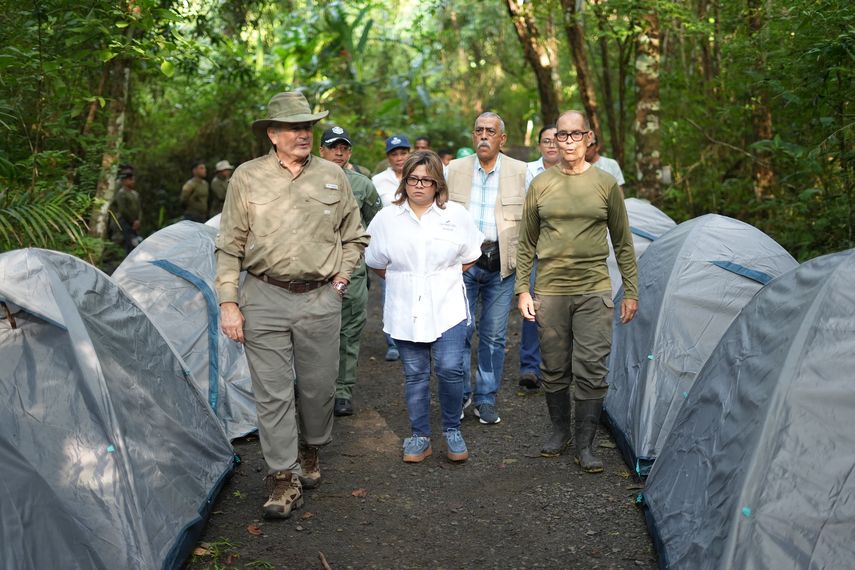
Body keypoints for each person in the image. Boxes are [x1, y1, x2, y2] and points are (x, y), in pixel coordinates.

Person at [215, 91, 369, 519]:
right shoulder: (247, 177)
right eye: (294, 128)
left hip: (320, 298)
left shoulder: (333, 176)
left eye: (308, 127)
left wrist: (341, 278)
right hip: (263, 296)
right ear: (272, 134)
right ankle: (283, 477)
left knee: (318, 389)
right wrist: (228, 301)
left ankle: (311, 447)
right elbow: (229, 244)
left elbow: (355, 236)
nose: (304, 134)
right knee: (272, 393)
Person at [515, 110, 638, 473]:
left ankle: (585, 444)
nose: (568, 141)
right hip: (550, 290)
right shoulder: (541, 184)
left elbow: (623, 242)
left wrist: (631, 289)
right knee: (553, 366)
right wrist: (523, 289)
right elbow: (526, 242)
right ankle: (559, 432)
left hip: (593, 289)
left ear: (588, 138)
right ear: (554, 140)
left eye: (575, 134)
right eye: (562, 135)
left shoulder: (605, 183)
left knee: (592, 368)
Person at [365, 150, 483, 463]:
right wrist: (407, 279)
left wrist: (440, 278)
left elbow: (471, 255)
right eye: (413, 179)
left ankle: (452, 430)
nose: (419, 185)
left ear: (437, 184)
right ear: (404, 182)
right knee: (415, 374)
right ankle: (419, 436)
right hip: (405, 306)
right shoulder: (387, 218)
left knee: (450, 368)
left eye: (426, 180)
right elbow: (375, 261)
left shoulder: (455, 215)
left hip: (447, 305)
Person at [446, 112, 528, 425]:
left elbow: (532, 219)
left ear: (501, 139)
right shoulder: (454, 169)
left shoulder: (520, 172)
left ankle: (486, 399)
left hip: (502, 265)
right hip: (462, 266)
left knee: (493, 336)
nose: (483, 136)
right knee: (461, 330)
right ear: (473, 136)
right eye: (479, 130)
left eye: (490, 131)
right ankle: (461, 394)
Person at [319, 126, 383, 417]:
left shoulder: (362, 185)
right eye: (333, 147)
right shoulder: (306, 182)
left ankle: (343, 390)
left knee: (349, 331)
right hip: (313, 272)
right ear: (321, 151)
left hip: (352, 271)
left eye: (344, 148)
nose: (339, 153)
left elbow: (376, 222)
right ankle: (313, 386)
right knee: (312, 331)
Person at [518, 124, 560, 394]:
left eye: (556, 140)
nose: (552, 145)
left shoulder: (573, 172)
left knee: (563, 309)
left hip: (564, 251)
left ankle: (558, 366)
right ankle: (530, 367)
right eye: (546, 141)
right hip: (535, 249)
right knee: (532, 307)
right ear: (539, 145)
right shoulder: (527, 172)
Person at [372, 134, 412, 361]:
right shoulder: (378, 181)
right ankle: (393, 342)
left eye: (403, 153)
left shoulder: (419, 176)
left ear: (409, 153)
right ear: (388, 157)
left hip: (416, 244)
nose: (399, 158)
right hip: (389, 247)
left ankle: (416, 338)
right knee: (391, 294)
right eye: (394, 154)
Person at [110, 170, 142, 254]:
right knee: (128, 244)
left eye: (133, 179)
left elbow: (139, 209)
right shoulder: (121, 193)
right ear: (124, 181)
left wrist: (138, 221)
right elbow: (123, 209)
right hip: (125, 223)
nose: (133, 182)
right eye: (130, 180)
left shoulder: (135, 194)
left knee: (135, 244)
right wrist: (133, 221)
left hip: (135, 224)